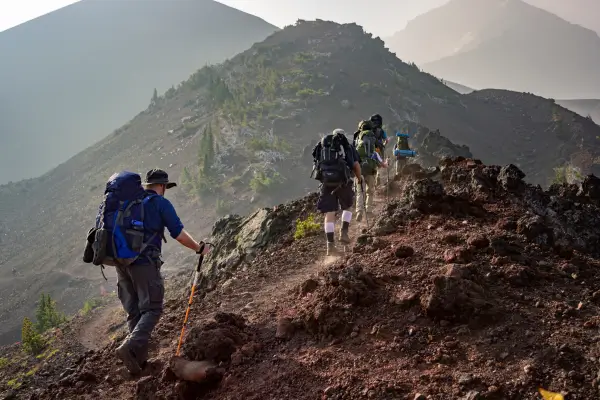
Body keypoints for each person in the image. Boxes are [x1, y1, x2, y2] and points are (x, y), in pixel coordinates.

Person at [114, 168, 211, 374]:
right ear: (162, 186)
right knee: (152, 309)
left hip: (120, 264)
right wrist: (199, 248)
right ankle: (130, 347)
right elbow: (178, 233)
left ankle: (138, 364)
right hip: (144, 263)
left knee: (135, 312)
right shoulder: (160, 203)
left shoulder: (129, 203)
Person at [312, 129, 361, 256]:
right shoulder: (346, 146)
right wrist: (359, 179)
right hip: (343, 182)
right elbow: (355, 165)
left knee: (329, 213)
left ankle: (330, 246)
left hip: (327, 184)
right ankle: (344, 232)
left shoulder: (322, 148)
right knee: (348, 207)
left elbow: (316, 164)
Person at [355, 120, 388, 222]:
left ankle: (359, 211)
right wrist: (385, 163)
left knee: (360, 192)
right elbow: (381, 162)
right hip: (371, 170)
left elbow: (354, 157)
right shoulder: (373, 143)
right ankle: (368, 211)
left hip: (359, 170)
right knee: (370, 192)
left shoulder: (357, 140)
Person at [369, 114, 389, 186]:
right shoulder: (381, 131)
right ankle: (378, 180)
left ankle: (371, 180)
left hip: (370, 149)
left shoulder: (369, 130)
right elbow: (386, 140)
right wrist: (383, 145)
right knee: (380, 165)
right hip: (378, 149)